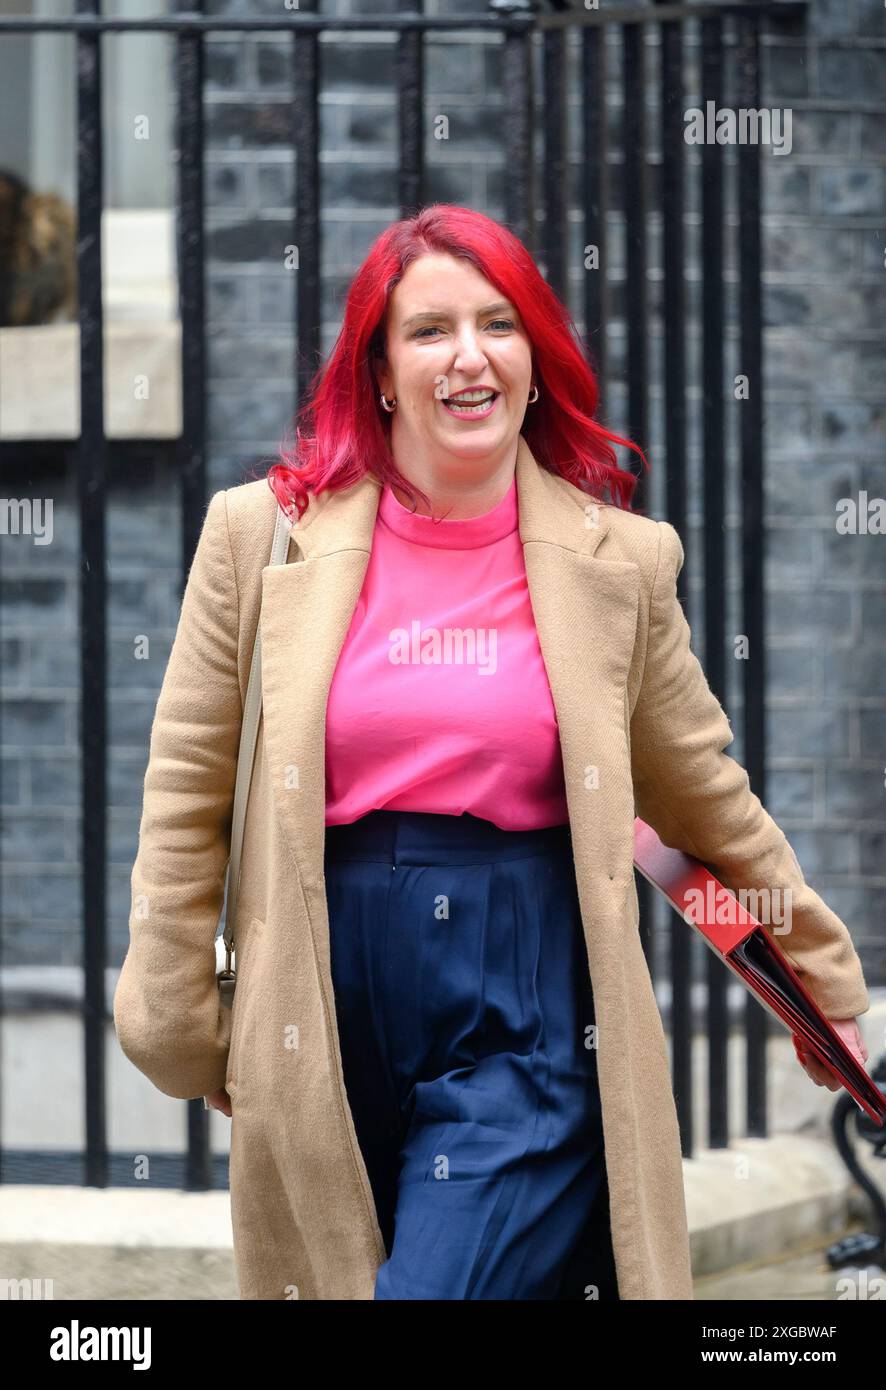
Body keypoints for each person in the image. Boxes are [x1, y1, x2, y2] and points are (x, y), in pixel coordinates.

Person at [114, 204, 870, 1301]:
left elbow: (701, 803)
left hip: (523, 995)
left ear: (533, 359)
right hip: (319, 987)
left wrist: (819, 982)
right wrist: (183, 1017)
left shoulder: (618, 563)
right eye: (428, 331)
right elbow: (187, 787)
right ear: (377, 368)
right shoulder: (259, 536)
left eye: (499, 324)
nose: (468, 356)